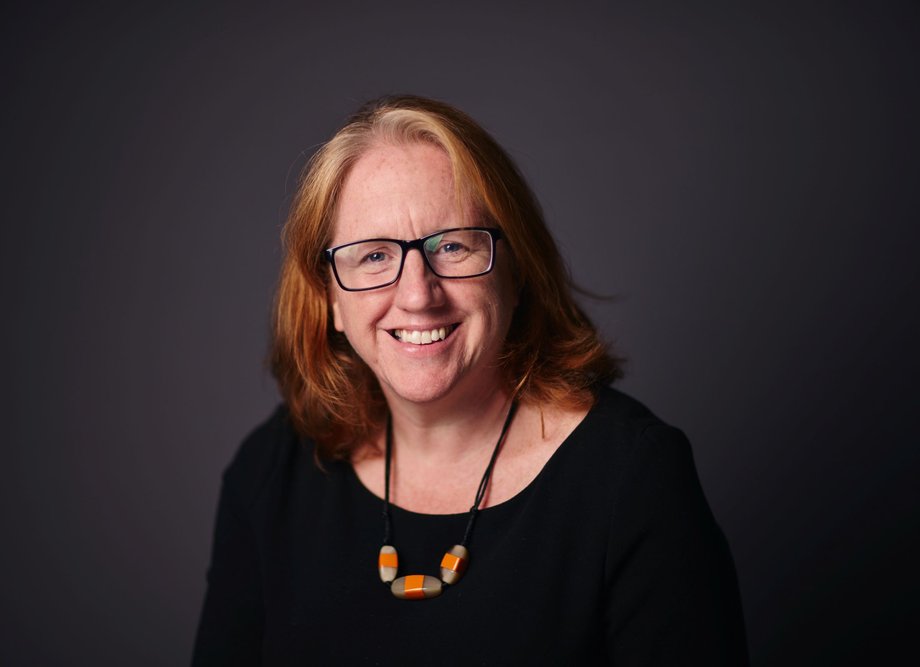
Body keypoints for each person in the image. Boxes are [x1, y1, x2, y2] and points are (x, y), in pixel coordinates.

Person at [192, 95, 748, 665]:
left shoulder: (632, 478)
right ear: (330, 297)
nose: (417, 295)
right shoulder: (272, 469)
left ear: (517, 267)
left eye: (452, 245)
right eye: (375, 256)